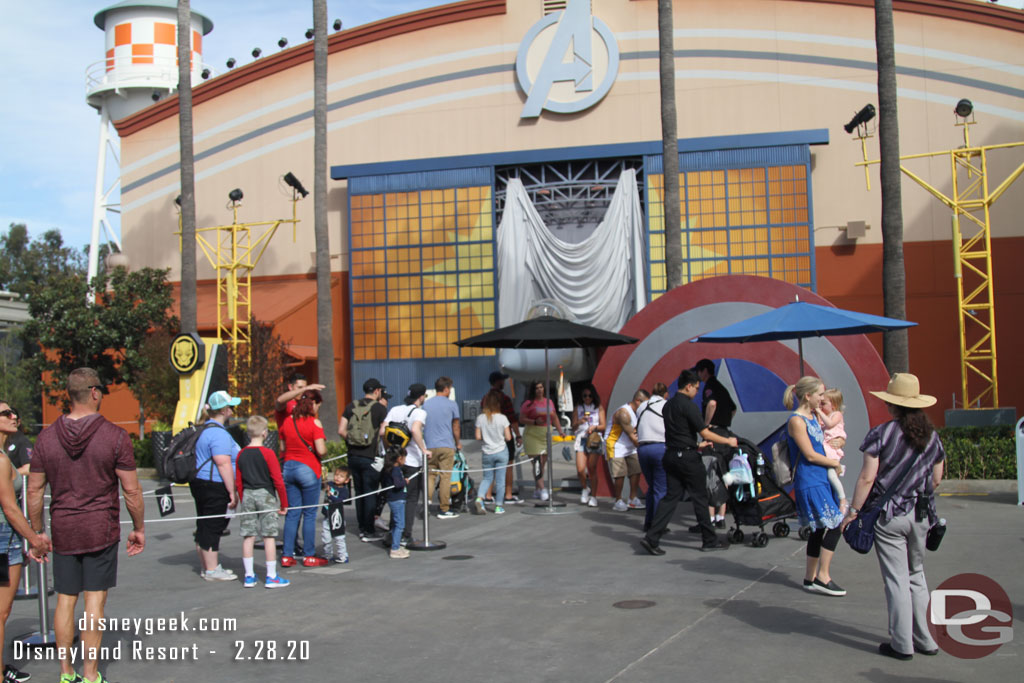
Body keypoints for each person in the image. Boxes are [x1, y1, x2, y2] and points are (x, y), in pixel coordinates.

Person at [27, 369, 145, 683]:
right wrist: (138, 527)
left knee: (66, 599)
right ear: (93, 392)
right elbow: (131, 490)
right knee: (95, 600)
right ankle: (90, 675)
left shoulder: (46, 437)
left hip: (64, 529)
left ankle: (66, 673)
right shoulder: (115, 436)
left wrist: (38, 532)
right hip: (100, 529)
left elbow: (34, 490)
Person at [841, 373, 944, 661]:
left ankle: (902, 644)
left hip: (889, 516)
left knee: (897, 579)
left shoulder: (881, 434)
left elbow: (867, 477)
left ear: (893, 405)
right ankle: (926, 640)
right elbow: (936, 479)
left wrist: (853, 512)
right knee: (916, 576)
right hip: (922, 514)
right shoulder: (932, 436)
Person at [640, 369, 737, 555]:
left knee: (670, 497)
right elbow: (705, 432)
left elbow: (680, 432)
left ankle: (652, 538)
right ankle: (709, 540)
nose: (697, 392)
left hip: (671, 455)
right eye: (696, 388)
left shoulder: (667, 406)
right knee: (700, 497)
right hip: (687, 458)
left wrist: (694, 445)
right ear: (689, 386)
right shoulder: (689, 406)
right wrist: (727, 441)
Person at [0, 401, 51, 683]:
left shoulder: (4, 459)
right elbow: (9, 508)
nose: (14, 416)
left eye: (14, 412)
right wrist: (34, 539)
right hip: (3, 541)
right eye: (6, 414)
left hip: (6, 539)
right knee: (1, 612)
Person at [784, 376, 846, 596]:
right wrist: (834, 462)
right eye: (820, 394)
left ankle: (810, 578)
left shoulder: (811, 417)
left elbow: (827, 439)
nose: (823, 399)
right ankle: (823, 576)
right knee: (836, 524)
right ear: (808, 395)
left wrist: (839, 442)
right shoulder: (797, 421)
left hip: (819, 477)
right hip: (810, 480)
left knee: (819, 528)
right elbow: (809, 454)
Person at [190, 390, 241, 581]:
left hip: (201, 483)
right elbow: (223, 463)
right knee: (213, 526)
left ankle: (208, 566)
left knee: (204, 524)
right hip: (215, 484)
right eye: (231, 407)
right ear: (224, 410)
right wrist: (231, 491)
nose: (233, 411)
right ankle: (212, 570)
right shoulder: (218, 434)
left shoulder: (204, 429)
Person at [235, 415, 290, 589]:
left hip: (248, 494)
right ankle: (271, 576)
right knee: (269, 536)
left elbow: (238, 481)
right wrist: (284, 503)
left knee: (248, 535)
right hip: (265, 494)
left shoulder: (241, 454)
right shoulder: (268, 453)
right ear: (265, 433)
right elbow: (277, 480)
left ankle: (249, 576)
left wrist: (243, 498)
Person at [279, 388, 329, 568]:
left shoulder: (287, 421)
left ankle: (287, 554)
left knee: (293, 513)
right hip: (308, 468)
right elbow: (321, 450)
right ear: (313, 404)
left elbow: (282, 447)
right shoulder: (314, 422)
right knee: (309, 514)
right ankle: (309, 554)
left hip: (289, 467)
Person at [338, 378, 388, 543]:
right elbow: (382, 432)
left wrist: (352, 441)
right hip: (369, 457)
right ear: (377, 391)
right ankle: (368, 530)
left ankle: (361, 528)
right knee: (370, 493)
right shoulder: (380, 409)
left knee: (359, 493)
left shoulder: (351, 406)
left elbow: (341, 430)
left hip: (353, 455)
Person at [384, 384, 430, 546]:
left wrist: (390, 449)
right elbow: (416, 430)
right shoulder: (419, 412)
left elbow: (383, 431)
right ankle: (405, 534)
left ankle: (392, 533)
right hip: (412, 461)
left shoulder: (395, 409)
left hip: (395, 460)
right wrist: (424, 450)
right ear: (421, 397)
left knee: (396, 497)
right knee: (410, 499)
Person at [695, 359, 736, 528]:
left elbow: (712, 403)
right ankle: (721, 516)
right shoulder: (722, 387)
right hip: (725, 432)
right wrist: (724, 422)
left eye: (699, 371)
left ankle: (710, 517)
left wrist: (706, 424)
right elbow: (733, 408)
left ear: (704, 371)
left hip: (714, 435)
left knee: (711, 473)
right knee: (724, 473)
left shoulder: (710, 386)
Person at [482, 371, 523, 506]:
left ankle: (487, 495)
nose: (504, 383)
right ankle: (508, 494)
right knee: (508, 465)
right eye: (502, 381)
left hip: (488, 437)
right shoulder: (504, 399)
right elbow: (513, 419)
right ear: (498, 382)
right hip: (504, 437)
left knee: (490, 468)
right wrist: (518, 435)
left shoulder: (485, 398)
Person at [422, 377, 461, 519]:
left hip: (429, 445)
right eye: (449, 388)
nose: (450, 391)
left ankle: (426, 504)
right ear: (446, 389)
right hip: (446, 445)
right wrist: (458, 442)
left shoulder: (426, 405)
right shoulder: (452, 404)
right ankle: (444, 508)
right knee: (445, 476)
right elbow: (455, 426)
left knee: (430, 475)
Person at [605, 389, 649, 511]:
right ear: (637, 401)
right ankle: (618, 500)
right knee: (620, 474)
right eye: (644, 403)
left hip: (630, 446)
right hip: (616, 445)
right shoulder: (624, 413)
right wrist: (648, 449)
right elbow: (632, 436)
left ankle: (632, 498)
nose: (646, 406)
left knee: (636, 470)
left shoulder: (638, 412)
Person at [520, 380, 564, 501]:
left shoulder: (549, 402)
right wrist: (534, 421)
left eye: (541, 387)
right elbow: (522, 419)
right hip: (532, 434)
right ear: (533, 390)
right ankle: (543, 488)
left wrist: (560, 431)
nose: (539, 390)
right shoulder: (528, 403)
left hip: (545, 434)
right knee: (537, 463)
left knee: (542, 464)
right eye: (537, 388)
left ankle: (537, 489)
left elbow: (554, 417)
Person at [636, 383, 669, 531]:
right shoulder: (666, 405)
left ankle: (648, 522)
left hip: (643, 448)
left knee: (651, 487)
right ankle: (657, 525)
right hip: (659, 448)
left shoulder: (642, 406)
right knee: (660, 489)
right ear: (665, 394)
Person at [474, 390, 512, 515]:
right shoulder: (503, 418)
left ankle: (480, 498)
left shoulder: (480, 418)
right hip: (501, 451)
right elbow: (508, 437)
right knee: (500, 480)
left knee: (487, 478)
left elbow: (478, 437)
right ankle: (499, 506)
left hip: (487, 451)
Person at [571, 384, 606, 508]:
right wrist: (580, 421)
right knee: (580, 469)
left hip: (594, 439)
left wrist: (594, 427)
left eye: (590, 396)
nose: (587, 398)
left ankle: (594, 496)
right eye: (585, 396)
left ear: (593, 396)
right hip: (581, 438)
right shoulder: (578, 408)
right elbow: (573, 426)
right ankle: (585, 488)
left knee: (592, 468)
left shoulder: (598, 408)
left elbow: (603, 425)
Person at [819, 387, 848, 514]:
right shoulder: (825, 416)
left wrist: (819, 412)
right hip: (827, 448)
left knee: (831, 475)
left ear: (834, 405)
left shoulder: (836, 415)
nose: (820, 405)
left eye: (823, 403)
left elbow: (830, 424)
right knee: (827, 477)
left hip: (831, 451)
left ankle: (842, 499)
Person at [320, 467, 351, 564]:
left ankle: (343, 555)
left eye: (341, 476)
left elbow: (341, 501)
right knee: (326, 537)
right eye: (336, 475)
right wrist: (323, 478)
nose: (337, 478)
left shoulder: (344, 490)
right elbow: (322, 486)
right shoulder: (330, 484)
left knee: (339, 537)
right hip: (327, 516)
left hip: (337, 517)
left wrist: (331, 496)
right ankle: (328, 555)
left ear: (346, 480)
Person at [383, 449, 410, 559]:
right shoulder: (395, 470)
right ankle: (395, 548)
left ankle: (396, 545)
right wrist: (405, 482)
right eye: (404, 457)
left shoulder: (390, 469)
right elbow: (398, 484)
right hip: (396, 499)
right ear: (399, 459)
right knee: (400, 525)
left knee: (396, 524)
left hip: (395, 499)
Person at [3, 407, 32, 477]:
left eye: (14, 419)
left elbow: (28, 468)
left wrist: (6, 476)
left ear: (18, 422)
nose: (13, 418)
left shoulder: (22, 441)